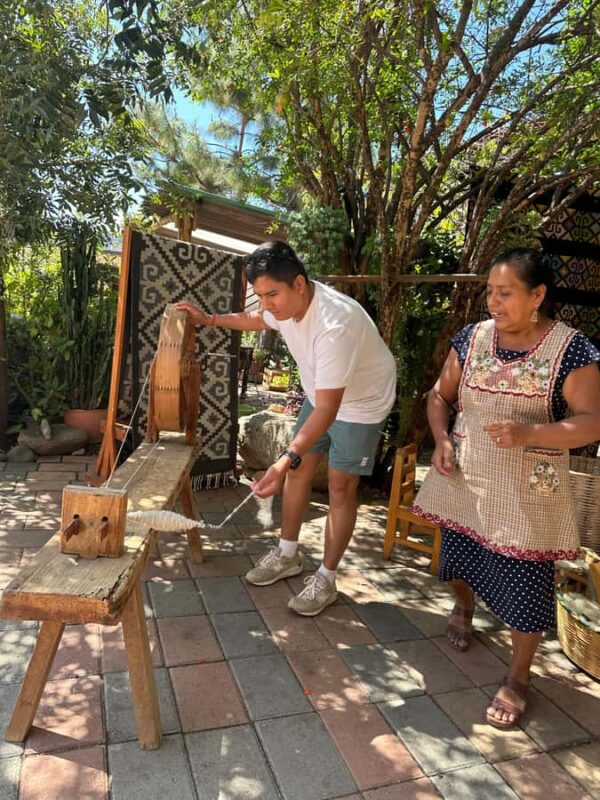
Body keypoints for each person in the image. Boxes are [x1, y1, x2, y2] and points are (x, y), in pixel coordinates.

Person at [411, 248, 600, 730]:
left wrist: (530, 433)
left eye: (505, 293)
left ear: (537, 295)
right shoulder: (472, 339)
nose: (493, 302)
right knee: (456, 557)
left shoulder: (570, 350)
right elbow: (439, 396)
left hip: (526, 492)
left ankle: (518, 677)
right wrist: (440, 439)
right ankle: (464, 601)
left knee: (524, 587)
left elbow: (591, 423)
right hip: (466, 477)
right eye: (489, 292)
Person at [176, 240, 397, 616]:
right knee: (298, 472)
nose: (267, 304)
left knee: (341, 486)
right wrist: (210, 320)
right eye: (260, 295)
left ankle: (326, 579)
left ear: (299, 283)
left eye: (272, 294)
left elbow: (329, 409)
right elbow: (256, 320)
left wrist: (282, 459)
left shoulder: (335, 324)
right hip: (323, 391)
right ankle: (288, 554)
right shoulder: (282, 303)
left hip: (361, 403)